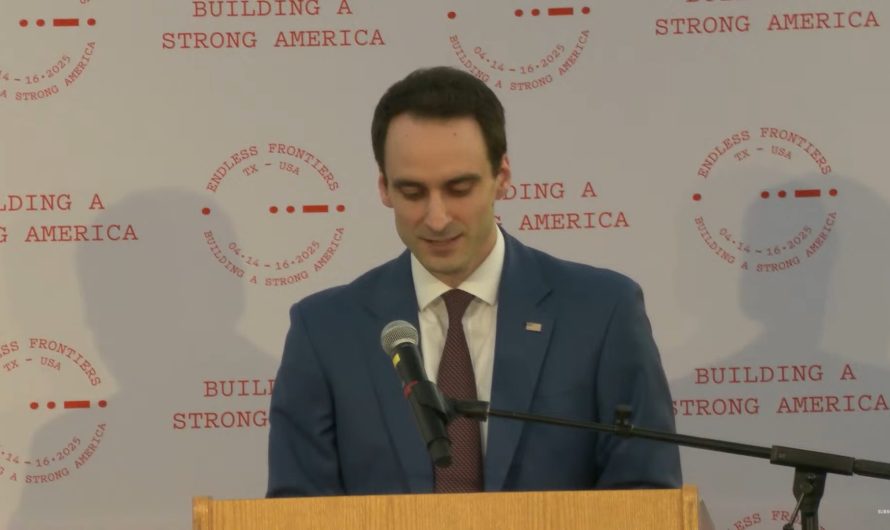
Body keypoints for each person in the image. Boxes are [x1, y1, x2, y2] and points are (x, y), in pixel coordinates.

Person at [266, 66, 681, 497]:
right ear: (384, 188)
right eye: (412, 193)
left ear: (502, 177)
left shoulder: (602, 313)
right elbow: (296, 512)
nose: (437, 218)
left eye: (459, 189)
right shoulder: (324, 332)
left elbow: (646, 496)